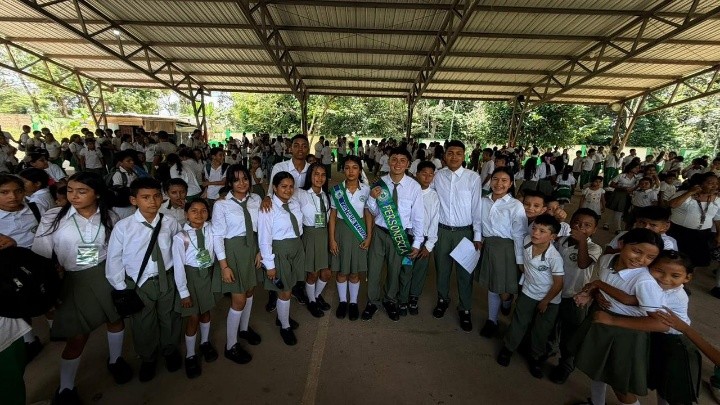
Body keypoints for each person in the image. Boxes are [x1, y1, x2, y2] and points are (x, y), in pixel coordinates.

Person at [32, 172, 132, 403]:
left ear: (97, 194)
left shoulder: (110, 216)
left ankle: (115, 360)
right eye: (70, 190)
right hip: (74, 278)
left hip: (105, 273)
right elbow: (41, 254)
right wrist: (49, 287)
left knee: (115, 319)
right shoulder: (54, 217)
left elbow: (116, 250)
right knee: (77, 336)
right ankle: (66, 387)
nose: (73, 196)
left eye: (81, 191)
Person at [571, 228, 666, 405]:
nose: (641, 260)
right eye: (637, 251)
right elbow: (604, 283)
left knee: (621, 386)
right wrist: (592, 293)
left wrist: (613, 320)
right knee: (596, 369)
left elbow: (660, 323)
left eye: (650, 257)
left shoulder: (644, 281)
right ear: (621, 244)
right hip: (601, 320)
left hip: (627, 333)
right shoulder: (607, 260)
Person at [593, 250, 700, 405]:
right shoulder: (652, 285)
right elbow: (628, 299)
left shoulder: (675, 295)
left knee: (668, 390)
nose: (665, 279)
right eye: (659, 271)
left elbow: (634, 304)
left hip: (673, 345)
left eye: (675, 275)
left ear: (687, 277)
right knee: (656, 383)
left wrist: (612, 319)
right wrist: (599, 292)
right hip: (653, 337)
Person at [106, 177, 182, 382]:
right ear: (134, 200)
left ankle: (169, 349)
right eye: (145, 197)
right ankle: (148, 357)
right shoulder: (124, 227)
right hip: (140, 283)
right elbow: (114, 259)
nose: (152, 201)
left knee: (170, 316)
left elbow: (179, 246)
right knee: (143, 322)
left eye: (156, 196)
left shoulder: (170, 222)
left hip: (166, 277)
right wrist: (121, 287)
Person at [496, 214, 563, 379]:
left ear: (553, 237)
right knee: (519, 322)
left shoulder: (554, 257)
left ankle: (535, 358)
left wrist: (545, 302)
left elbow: (558, 284)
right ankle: (508, 349)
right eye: (534, 228)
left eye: (542, 231)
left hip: (549, 298)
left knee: (541, 330)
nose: (535, 233)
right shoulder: (526, 241)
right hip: (528, 291)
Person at [363, 147, 424, 322]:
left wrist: (417, 242)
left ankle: (390, 300)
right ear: (388, 161)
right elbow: (373, 212)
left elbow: (418, 216)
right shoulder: (380, 183)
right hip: (380, 233)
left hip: (400, 235)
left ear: (408, 164)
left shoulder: (414, 187)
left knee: (394, 270)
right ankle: (372, 301)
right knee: (373, 269)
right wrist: (372, 198)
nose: (398, 163)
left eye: (402, 160)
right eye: (394, 159)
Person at [211, 164, 262, 361]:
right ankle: (231, 345)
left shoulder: (256, 199)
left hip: (252, 249)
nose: (242, 183)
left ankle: (244, 328)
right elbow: (217, 236)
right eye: (236, 180)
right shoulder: (221, 204)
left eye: (245, 179)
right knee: (238, 299)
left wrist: (260, 251)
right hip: (233, 252)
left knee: (249, 291)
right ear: (230, 183)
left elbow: (262, 225)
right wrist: (224, 266)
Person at [430, 140, 483, 331]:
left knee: (464, 274)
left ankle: (465, 308)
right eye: (450, 153)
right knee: (442, 270)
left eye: (458, 153)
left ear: (464, 155)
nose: (454, 157)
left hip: (465, 233)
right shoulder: (437, 176)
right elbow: (429, 199)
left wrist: (477, 235)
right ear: (444, 155)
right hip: (442, 231)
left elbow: (477, 207)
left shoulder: (473, 178)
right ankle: (442, 299)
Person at [548, 208, 603, 384]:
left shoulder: (594, 248)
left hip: (574, 297)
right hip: (555, 292)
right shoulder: (562, 241)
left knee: (571, 334)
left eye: (587, 225)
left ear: (594, 230)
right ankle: (547, 350)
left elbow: (583, 263)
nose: (581, 227)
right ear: (571, 224)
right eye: (577, 223)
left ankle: (566, 364)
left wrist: (582, 242)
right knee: (551, 325)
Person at [477, 167, 527, 338]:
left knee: (503, 288)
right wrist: (478, 239)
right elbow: (478, 223)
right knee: (493, 285)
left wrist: (519, 260)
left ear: (511, 183)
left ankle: (507, 301)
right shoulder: (483, 201)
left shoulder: (515, 205)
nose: (499, 184)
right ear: (490, 181)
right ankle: (492, 320)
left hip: (506, 249)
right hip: (488, 246)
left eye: (504, 180)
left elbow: (519, 234)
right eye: (495, 179)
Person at [263, 135, 312, 310]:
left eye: (304, 146)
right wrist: (267, 199)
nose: (300, 149)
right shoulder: (280, 166)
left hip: (300, 215)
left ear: (308, 148)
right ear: (290, 148)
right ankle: (274, 294)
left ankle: (297, 290)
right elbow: (271, 189)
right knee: (278, 262)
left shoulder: (311, 169)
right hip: (280, 214)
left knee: (297, 260)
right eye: (296, 145)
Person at [172, 199, 219, 379]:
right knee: (193, 317)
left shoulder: (211, 229)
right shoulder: (180, 237)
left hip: (207, 275)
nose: (199, 214)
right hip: (190, 277)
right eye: (194, 211)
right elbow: (178, 267)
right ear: (186, 214)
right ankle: (190, 355)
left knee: (205, 312)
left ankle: (205, 343)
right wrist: (184, 293)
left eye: (203, 210)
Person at [258, 172, 305, 345]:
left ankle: (282, 317)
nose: (288, 190)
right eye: (283, 186)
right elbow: (264, 238)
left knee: (290, 286)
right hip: (279, 251)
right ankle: (285, 326)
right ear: (275, 188)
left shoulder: (294, 203)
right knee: (285, 291)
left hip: (296, 247)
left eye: (291, 186)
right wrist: (269, 265)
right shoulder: (268, 208)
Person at [329, 155, 373, 320]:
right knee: (342, 270)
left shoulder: (366, 190)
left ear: (360, 170)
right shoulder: (337, 190)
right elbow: (333, 216)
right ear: (343, 170)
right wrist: (332, 239)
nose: (351, 171)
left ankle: (353, 302)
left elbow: (368, 214)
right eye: (347, 167)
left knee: (354, 272)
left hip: (359, 232)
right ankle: (343, 301)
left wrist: (368, 237)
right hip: (340, 232)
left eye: (355, 167)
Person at [400, 161, 439, 316]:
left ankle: (413, 298)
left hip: (424, 240)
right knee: (406, 268)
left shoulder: (434, 196)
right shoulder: (409, 191)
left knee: (420, 271)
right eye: (424, 173)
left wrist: (429, 245)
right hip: (407, 238)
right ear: (416, 174)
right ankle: (402, 298)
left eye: (431, 174)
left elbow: (435, 220)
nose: (427, 177)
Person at [296, 163, 332, 318]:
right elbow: (282, 195)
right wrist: (267, 198)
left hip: (325, 235)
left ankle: (316, 296)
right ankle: (311, 301)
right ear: (310, 176)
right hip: (310, 235)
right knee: (313, 273)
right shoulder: (300, 193)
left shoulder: (326, 196)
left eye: (323, 175)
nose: (319, 178)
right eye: (316, 174)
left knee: (326, 273)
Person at [667, 172, 720, 271]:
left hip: (702, 234)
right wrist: (690, 192)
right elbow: (672, 205)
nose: (715, 186)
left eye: (716, 183)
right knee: (675, 258)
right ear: (700, 184)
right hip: (679, 232)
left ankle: (686, 277)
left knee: (695, 261)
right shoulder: (684, 194)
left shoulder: (717, 200)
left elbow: (717, 219)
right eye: (710, 183)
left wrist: (718, 235)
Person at [605, 206, 678, 254]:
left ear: (665, 227)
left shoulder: (667, 243)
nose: (646, 227)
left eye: (653, 225)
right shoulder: (624, 234)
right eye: (642, 222)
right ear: (636, 221)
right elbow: (607, 252)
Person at [605, 163, 640, 233]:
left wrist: (632, 189)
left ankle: (607, 224)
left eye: (638, 168)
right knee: (618, 210)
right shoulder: (621, 176)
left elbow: (636, 187)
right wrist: (622, 188)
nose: (637, 169)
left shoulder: (636, 178)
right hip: (619, 194)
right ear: (630, 168)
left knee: (618, 210)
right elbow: (611, 184)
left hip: (628, 195)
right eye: (636, 167)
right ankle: (618, 228)